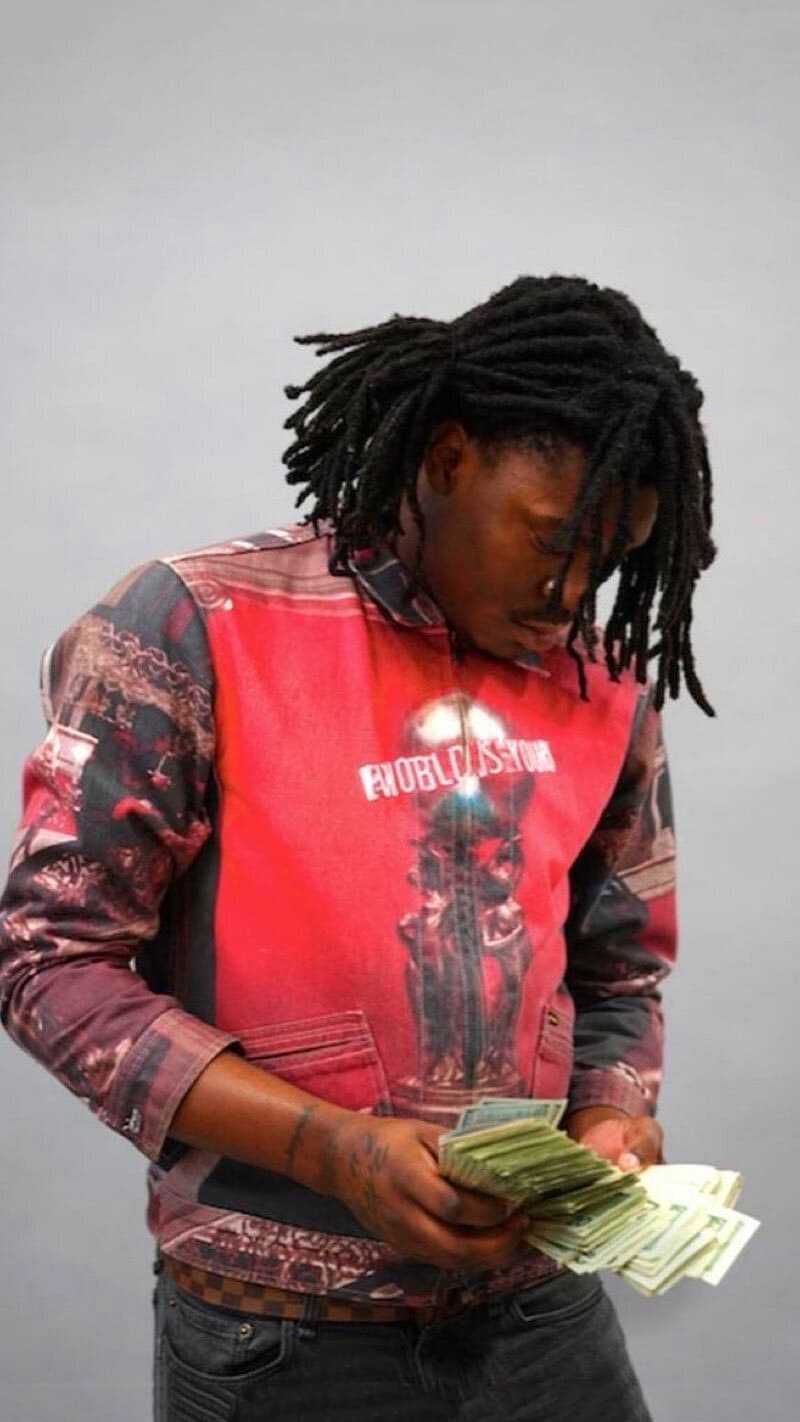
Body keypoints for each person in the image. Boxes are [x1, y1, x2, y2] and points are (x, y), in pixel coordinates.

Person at [0, 274, 716, 1420]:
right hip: (279, 1338)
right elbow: (47, 964)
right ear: (445, 459)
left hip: (542, 1320)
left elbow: (618, 972)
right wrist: (332, 1152)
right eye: (550, 539)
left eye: (610, 557)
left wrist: (607, 1119)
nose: (572, 590)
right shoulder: (192, 625)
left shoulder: (604, 681)